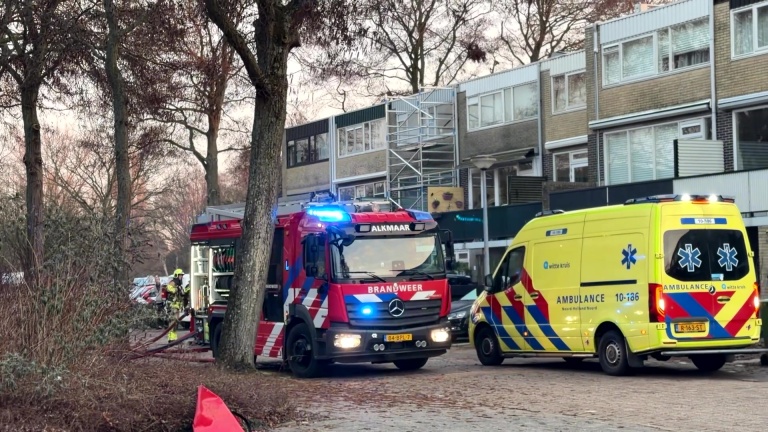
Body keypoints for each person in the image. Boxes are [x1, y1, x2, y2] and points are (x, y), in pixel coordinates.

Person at [165, 268, 189, 343]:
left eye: (182, 276)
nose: (181, 277)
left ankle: (174, 338)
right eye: (180, 275)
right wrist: (175, 290)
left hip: (177, 306)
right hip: (172, 306)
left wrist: (187, 289)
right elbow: (168, 288)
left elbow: (182, 294)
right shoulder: (173, 283)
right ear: (176, 275)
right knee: (173, 322)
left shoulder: (179, 285)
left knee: (176, 322)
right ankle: (171, 338)